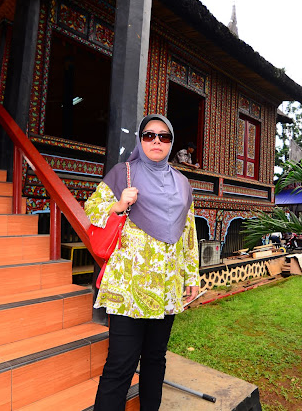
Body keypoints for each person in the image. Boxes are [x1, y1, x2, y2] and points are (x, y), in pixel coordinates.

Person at [85, 114, 200, 411]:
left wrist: (192, 276)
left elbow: (188, 232)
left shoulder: (183, 183)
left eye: (164, 136)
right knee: (120, 363)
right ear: (140, 139)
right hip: (128, 287)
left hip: (167, 286)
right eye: (149, 135)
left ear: (171, 143)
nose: (156, 141)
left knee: (155, 359)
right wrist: (119, 204)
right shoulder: (122, 174)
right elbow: (91, 210)